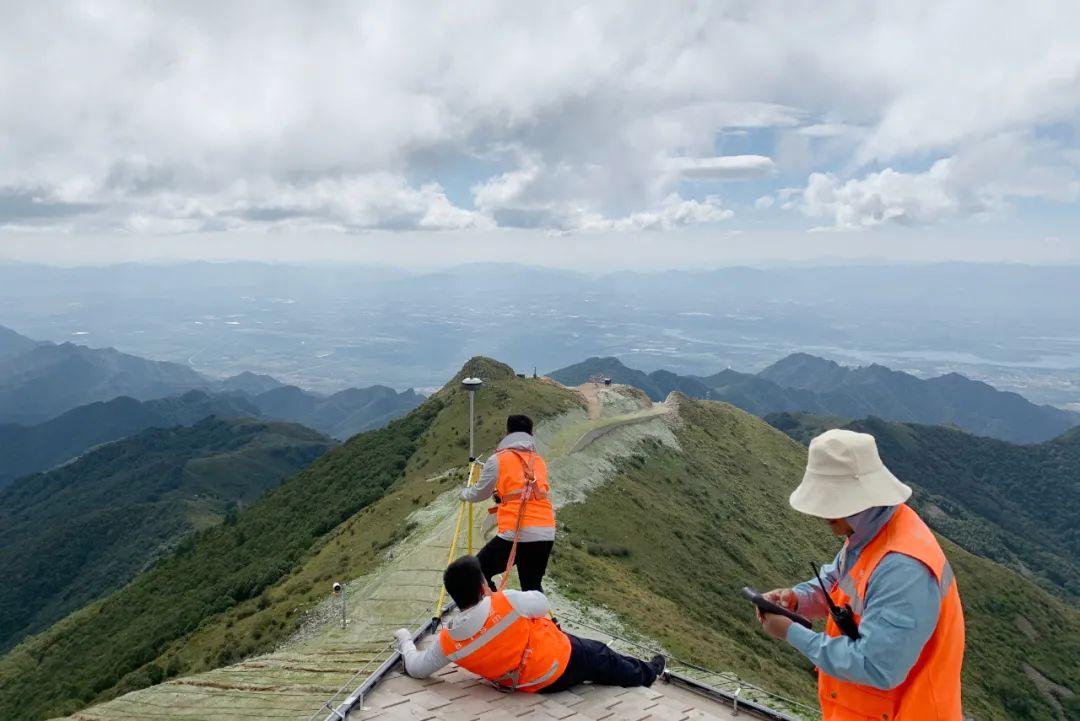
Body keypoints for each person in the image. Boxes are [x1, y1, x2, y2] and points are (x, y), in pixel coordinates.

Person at [756, 429, 965, 721]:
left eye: (830, 504)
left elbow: (876, 666)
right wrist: (795, 600)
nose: (822, 514)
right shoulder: (870, 533)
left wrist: (790, 632)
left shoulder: (903, 568)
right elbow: (835, 582)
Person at [395, 555, 664, 693]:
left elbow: (417, 668)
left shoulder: (448, 641)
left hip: (529, 685)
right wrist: (500, 596)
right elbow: (541, 603)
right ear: (481, 585)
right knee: (605, 657)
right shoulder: (506, 602)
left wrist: (406, 638)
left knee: (594, 661)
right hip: (561, 660)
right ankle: (649, 673)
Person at [461, 414, 554, 592]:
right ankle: (536, 619)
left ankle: (496, 609)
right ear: (531, 434)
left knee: (476, 572)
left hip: (516, 531)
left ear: (507, 433)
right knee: (532, 587)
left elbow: (480, 493)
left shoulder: (499, 459)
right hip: (545, 531)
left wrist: (464, 494)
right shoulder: (539, 461)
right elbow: (527, 492)